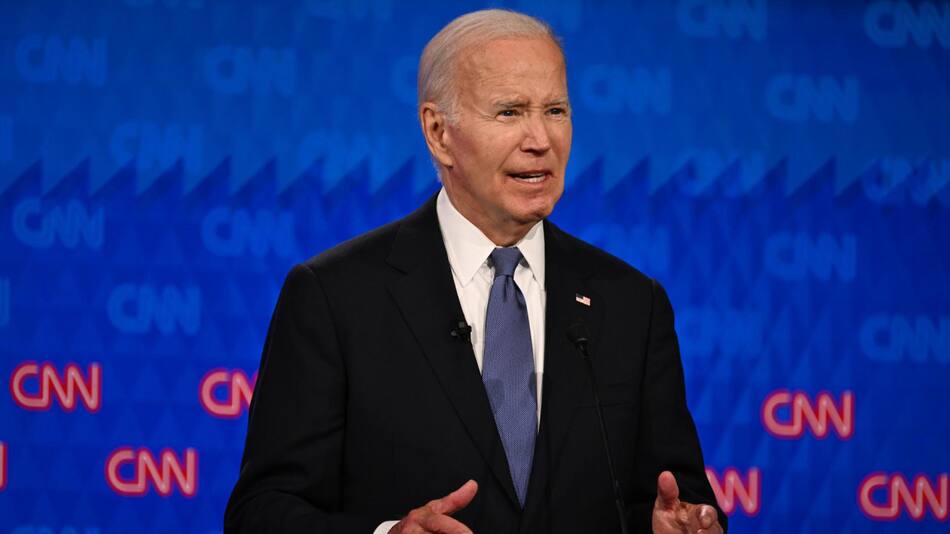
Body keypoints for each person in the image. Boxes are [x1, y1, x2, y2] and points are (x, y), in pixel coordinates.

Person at [225, 9, 725, 534]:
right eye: (510, 112)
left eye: (555, 110)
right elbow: (261, 513)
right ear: (439, 132)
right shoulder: (334, 297)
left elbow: (675, 499)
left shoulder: (631, 303)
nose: (541, 139)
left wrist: (679, 526)